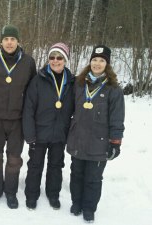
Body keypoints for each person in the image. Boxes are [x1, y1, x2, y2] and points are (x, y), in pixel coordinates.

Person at [66, 45, 125, 222]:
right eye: (94, 60)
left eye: (101, 60)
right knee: (76, 174)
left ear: (107, 64)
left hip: (98, 143)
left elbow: (117, 119)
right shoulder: (79, 83)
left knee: (93, 178)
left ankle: (89, 208)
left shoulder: (113, 89)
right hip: (77, 139)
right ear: (90, 62)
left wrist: (115, 141)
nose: (97, 63)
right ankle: (76, 203)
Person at [0, 24, 37, 209]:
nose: (9, 42)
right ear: (1, 41)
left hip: (17, 119)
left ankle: (11, 193)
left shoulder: (28, 62)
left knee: (14, 159)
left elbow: (32, 92)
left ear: (18, 41)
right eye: (6, 39)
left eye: (12, 39)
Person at [23, 43, 75, 210]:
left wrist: (71, 133)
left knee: (56, 166)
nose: (55, 60)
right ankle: (31, 195)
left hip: (60, 134)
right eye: (52, 57)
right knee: (35, 165)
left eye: (59, 57)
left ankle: (53, 194)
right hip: (39, 133)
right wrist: (29, 134)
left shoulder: (72, 82)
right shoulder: (38, 80)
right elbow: (28, 109)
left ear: (65, 60)